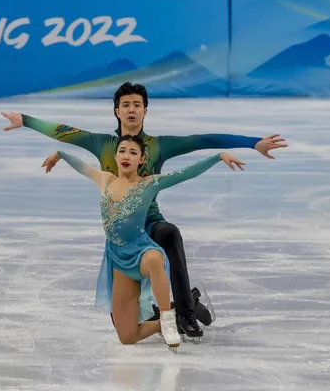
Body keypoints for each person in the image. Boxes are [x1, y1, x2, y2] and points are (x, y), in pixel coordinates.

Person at [1, 82, 287, 338]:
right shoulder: (102, 143)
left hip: (149, 224)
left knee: (169, 233)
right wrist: (24, 120)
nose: (131, 109)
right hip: (121, 236)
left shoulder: (159, 146)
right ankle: (183, 304)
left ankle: (185, 312)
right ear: (117, 111)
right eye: (125, 105)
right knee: (126, 328)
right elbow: (62, 132)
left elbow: (203, 140)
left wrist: (252, 143)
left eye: (137, 104)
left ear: (145, 111)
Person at [50, 133, 242, 348]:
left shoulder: (149, 184)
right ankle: (173, 316)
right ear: (115, 156)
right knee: (127, 337)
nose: (126, 156)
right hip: (118, 260)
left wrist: (217, 157)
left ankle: (169, 321)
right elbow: (81, 166)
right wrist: (61, 154)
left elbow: (185, 173)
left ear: (141, 159)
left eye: (133, 152)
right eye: (122, 151)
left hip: (141, 251)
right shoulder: (105, 180)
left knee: (154, 258)